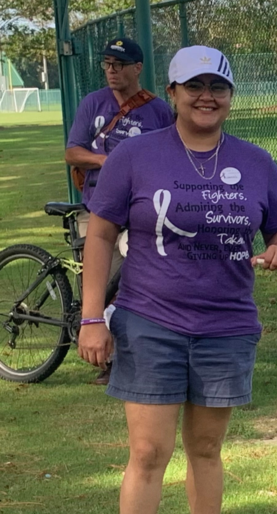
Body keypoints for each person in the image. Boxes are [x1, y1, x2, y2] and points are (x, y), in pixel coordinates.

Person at [77, 46, 277, 514]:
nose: (207, 96)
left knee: (205, 450)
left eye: (218, 86)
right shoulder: (135, 155)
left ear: (230, 95)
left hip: (226, 325)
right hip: (152, 322)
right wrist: (91, 317)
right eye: (193, 85)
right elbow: (99, 236)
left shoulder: (256, 160)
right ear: (172, 92)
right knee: (149, 453)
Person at [66, 37, 175, 385]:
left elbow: (170, 154)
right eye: (107, 63)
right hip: (98, 204)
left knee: (133, 283)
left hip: (139, 210)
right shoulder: (92, 104)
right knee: (101, 284)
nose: (111, 70)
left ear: (137, 68)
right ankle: (106, 358)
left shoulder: (156, 111)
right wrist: (107, 161)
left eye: (119, 64)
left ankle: (126, 356)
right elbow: (72, 152)